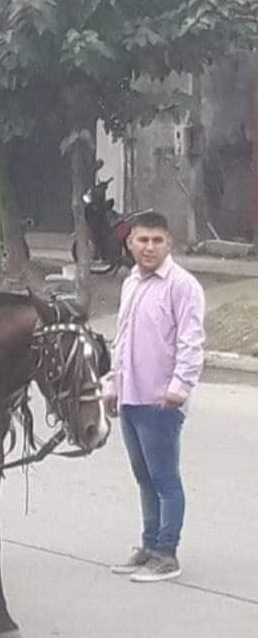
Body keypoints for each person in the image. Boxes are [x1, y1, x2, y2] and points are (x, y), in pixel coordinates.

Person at [105, 211, 205, 583]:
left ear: (169, 243)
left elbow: (191, 341)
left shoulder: (182, 286)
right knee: (143, 476)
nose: (149, 248)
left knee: (164, 478)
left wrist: (179, 388)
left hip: (161, 400)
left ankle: (166, 553)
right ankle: (148, 544)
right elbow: (122, 339)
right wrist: (112, 385)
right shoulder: (132, 281)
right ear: (130, 243)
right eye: (142, 240)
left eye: (156, 241)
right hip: (131, 396)